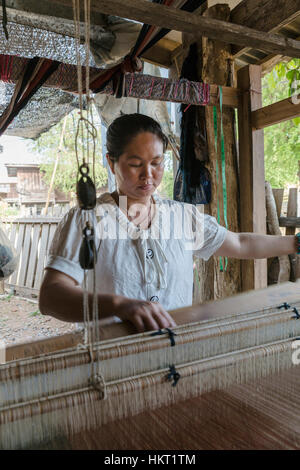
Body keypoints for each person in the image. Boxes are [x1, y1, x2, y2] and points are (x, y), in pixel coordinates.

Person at [39, 113, 299, 333]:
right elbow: (51, 297)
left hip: (174, 356)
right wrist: (120, 305)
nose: (148, 175)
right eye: (135, 164)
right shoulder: (87, 220)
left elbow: (241, 244)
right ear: (111, 162)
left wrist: (296, 242)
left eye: (156, 163)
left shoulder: (181, 218)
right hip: (110, 366)